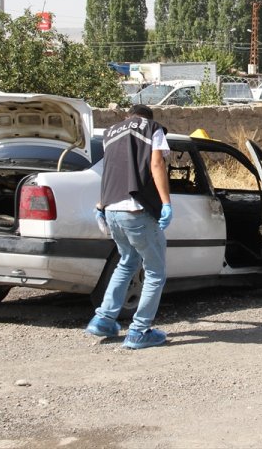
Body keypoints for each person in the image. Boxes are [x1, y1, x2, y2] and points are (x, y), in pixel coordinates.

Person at [85, 105, 173, 349]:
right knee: (155, 272)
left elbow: (111, 171)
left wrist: (100, 205)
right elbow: (156, 164)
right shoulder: (153, 128)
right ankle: (139, 330)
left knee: (126, 263)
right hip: (136, 211)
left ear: (128, 117)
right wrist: (166, 203)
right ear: (147, 117)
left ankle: (103, 319)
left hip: (111, 210)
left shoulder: (110, 133)